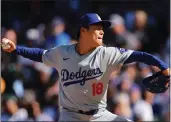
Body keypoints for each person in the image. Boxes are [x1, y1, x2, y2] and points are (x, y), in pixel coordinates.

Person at [1, 13, 170, 122]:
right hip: (71, 115)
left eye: (102, 28)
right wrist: (16, 49)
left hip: (99, 115)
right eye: (97, 28)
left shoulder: (106, 53)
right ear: (83, 31)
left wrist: (163, 66)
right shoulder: (62, 52)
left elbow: (138, 55)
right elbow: (39, 54)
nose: (102, 31)